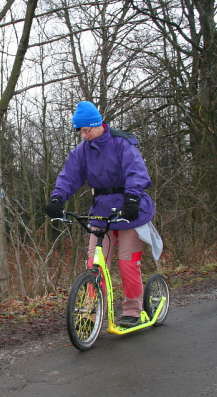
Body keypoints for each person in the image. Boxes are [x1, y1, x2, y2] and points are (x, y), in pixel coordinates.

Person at [45, 101, 161, 328]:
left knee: (127, 264)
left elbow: (136, 173)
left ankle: (133, 311)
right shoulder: (81, 151)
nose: (83, 135)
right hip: (100, 213)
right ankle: (91, 312)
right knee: (95, 265)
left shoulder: (122, 144)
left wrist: (132, 199)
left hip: (130, 212)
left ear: (97, 125)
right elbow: (68, 176)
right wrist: (57, 198)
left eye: (86, 130)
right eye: (80, 131)